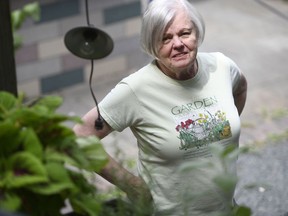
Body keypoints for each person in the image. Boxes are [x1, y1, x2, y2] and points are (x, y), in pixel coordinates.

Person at [73, 0, 247, 215]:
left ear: (197, 33)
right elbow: (80, 136)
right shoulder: (135, 89)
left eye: (184, 33)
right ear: (151, 45)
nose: (178, 44)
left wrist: (218, 130)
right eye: (165, 38)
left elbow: (240, 87)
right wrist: (130, 184)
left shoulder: (221, 66)